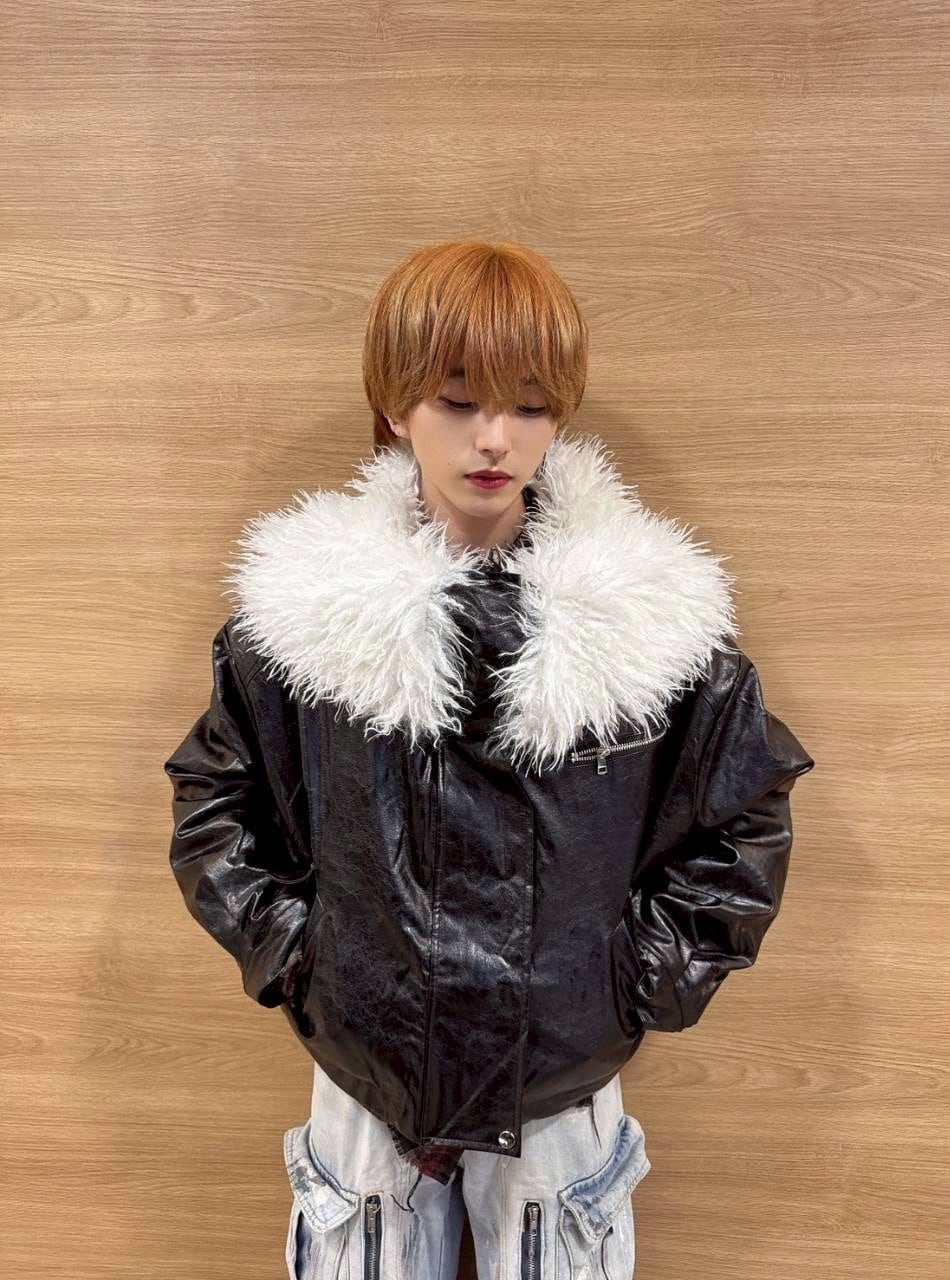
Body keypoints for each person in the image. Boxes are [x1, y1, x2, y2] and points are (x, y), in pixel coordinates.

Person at [163, 238, 815, 1280]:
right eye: (458, 401)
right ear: (394, 405)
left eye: (531, 405)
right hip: (365, 1075)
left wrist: (630, 981)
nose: (496, 439)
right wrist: (303, 956)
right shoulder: (302, 625)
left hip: (562, 1085)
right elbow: (215, 798)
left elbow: (741, 819)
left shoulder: (650, 626)